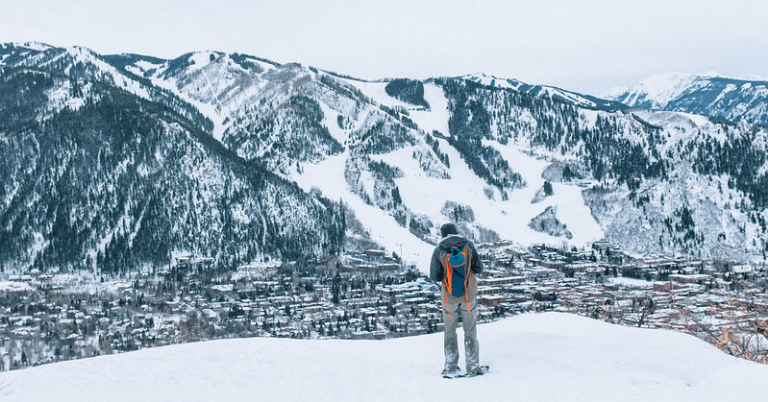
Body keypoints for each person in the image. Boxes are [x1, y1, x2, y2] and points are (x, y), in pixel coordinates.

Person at [430, 223, 484, 377]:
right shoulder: (468, 246)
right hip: (468, 298)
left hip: (449, 300)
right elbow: (479, 268)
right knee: (470, 331)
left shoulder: (439, 250)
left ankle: (450, 367)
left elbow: (434, 276)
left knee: (450, 332)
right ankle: (473, 367)